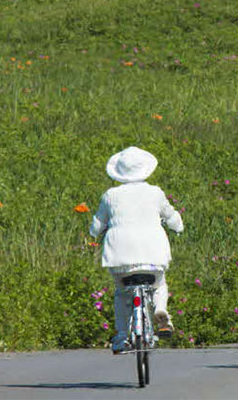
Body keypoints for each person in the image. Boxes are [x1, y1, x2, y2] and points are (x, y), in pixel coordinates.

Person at [89, 146, 184, 354]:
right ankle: (161, 310)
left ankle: (122, 336)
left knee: (122, 294)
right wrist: (178, 227)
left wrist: (95, 232)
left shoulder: (110, 195)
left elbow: (96, 226)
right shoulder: (155, 193)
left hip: (120, 257)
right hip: (153, 255)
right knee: (159, 283)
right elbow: (171, 216)